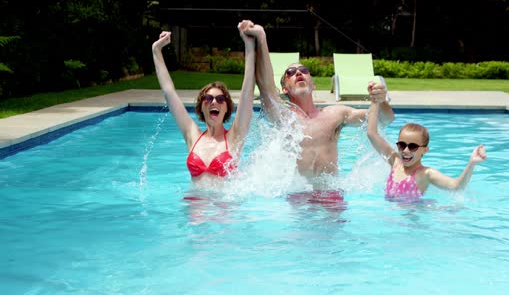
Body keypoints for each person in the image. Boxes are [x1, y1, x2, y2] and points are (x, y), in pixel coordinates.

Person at [241, 20, 395, 195]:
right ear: (285, 88)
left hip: (331, 194)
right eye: (290, 73)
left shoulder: (337, 114)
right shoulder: (283, 116)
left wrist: (381, 100)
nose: (298, 73)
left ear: (312, 84)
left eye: (304, 70)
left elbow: (385, 119)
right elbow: (266, 87)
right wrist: (261, 38)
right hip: (298, 194)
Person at [151, 22, 256, 189]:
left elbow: (247, 92)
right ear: (201, 106)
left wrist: (249, 44)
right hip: (194, 209)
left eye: (221, 99)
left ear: (227, 107)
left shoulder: (235, 137)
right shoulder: (192, 135)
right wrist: (156, 50)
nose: (214, 102)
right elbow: (169, 92)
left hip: (224, 211)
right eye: (208, 98)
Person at [366, 94, 487, 201]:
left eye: (412, 147)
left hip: (412, 221)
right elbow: (372, 133)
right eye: (402, 145)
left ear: (424, 150)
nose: (406, 151)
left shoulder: (426, 174)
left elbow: (456, 186)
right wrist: (375, 100)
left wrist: (471, 163)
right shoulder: (395, 161)